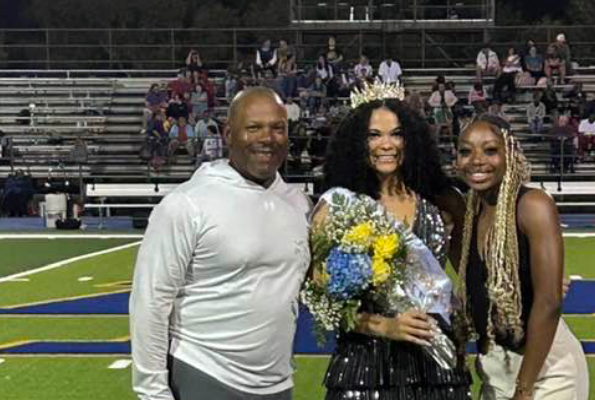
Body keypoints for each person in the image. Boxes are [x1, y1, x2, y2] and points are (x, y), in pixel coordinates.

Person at [130, 87, 311, 400]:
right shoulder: (188, 203)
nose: (267, 138)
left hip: (278, 384)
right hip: (204, 375)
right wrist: (153, 392)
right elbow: (150, 302)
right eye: (253, 127)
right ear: (229, 134)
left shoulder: (299, 204)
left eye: (277, 128)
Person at [317, 82, 471, 399]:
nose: (386, 144)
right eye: (374, 135)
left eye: (396, 133)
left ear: (411, 139)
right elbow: (322, 301)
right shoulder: (336, 207)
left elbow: (473, 272)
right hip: (364, 369)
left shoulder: (442, 201)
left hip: (435, 364)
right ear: (356, 142)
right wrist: (385, 326)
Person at [455, 114, 589, 400]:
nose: (477, 160)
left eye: (490, 150)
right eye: (465, 151)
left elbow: (549, 301)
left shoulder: (533, 204)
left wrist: (524, 389)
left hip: (544, 372)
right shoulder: (470, 213)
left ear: (510, 154)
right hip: (495, 368)